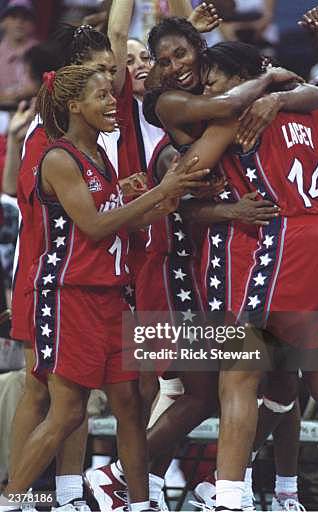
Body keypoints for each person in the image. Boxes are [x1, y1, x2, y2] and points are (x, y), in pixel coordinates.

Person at [178, 7, 318, 511]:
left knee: (239, 372)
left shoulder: (237, 115)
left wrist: (196, 191)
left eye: (215, 83)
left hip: (292, 240)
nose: (208, 94)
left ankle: (229, 497)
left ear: (244, 81)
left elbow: (179, 183)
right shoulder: (306, 108)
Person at [0, 64, 210, 512]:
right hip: (69, 294)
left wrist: (163, 199)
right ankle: (10, 499)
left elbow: (123, 228)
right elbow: (94, 228)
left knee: (131, 404)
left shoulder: (100, 154)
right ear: (75, 106)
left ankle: (140, 503)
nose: (112, 104)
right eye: (102, 97)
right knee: (68, 412)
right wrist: (158, 192)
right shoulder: (59, 157)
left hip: (113, 296)